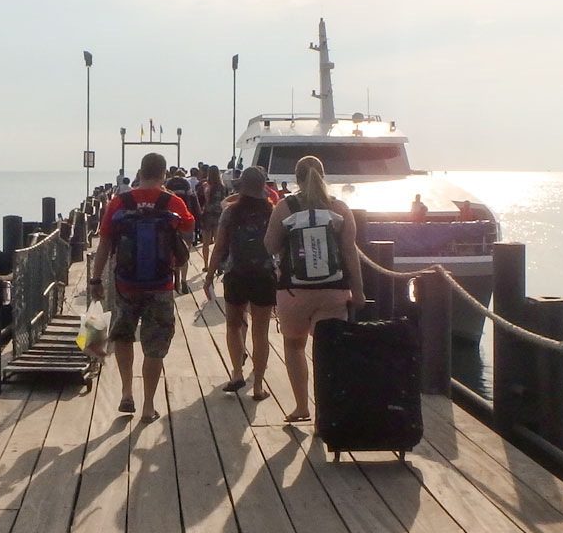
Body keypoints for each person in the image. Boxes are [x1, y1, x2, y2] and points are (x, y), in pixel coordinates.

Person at [89, 152, 194, 421]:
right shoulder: (173, 201)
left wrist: (95, 279)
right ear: (163, 174)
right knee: (154, 344)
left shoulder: (119, 201)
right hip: (161, 283)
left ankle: (126, 393)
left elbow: (104, 245)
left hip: (126, 283)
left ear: (140, 171)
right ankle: (148, 405)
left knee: (124, 336)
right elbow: (188, 233)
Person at [264, 155, 366, 424]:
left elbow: (270, 246)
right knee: (327, 350)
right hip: (334, 290)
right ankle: (325, 412)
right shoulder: (340, 208)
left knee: (295, 346)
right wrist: (359, 291)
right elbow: (349, 253)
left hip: (294, 291)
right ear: (324, 175)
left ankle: (301, 407)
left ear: (296, 179)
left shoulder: (285, 207)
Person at [203, 166, 277, 399]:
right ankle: (257, 386)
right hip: (264, 274)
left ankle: (236, 373)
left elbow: (220, 247)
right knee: (260, 332)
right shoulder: (272, 211)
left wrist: (209, 276)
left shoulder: (231, 212)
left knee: (233, 325)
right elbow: (277, 247)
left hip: (236, 273)